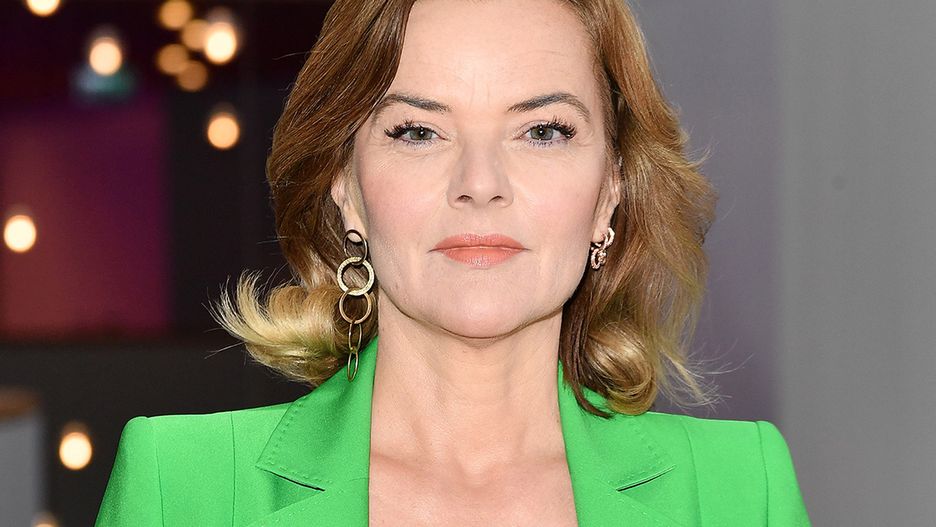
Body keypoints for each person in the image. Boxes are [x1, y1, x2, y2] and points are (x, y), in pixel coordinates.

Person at [96, 0, 811, 525]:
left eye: (543, 131)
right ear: (345, 187)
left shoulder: (738, 488)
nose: (480, 182)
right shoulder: (181, 485)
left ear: (610, 191)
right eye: (418, 131)